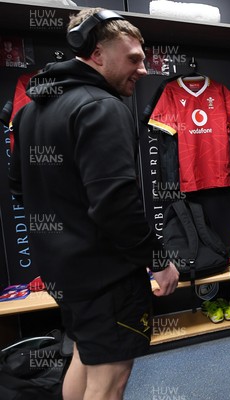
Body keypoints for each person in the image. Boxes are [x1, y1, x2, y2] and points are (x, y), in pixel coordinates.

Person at [8, 8, 179, 400]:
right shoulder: (101, 107)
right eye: (133, 59)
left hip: (64, 274)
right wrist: (158, 259)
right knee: (110, 380)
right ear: (97, 54)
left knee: (84, 356)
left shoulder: (30, 110)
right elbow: (115, 205)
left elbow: (20, 188)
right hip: (106, 280)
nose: (143, 68)